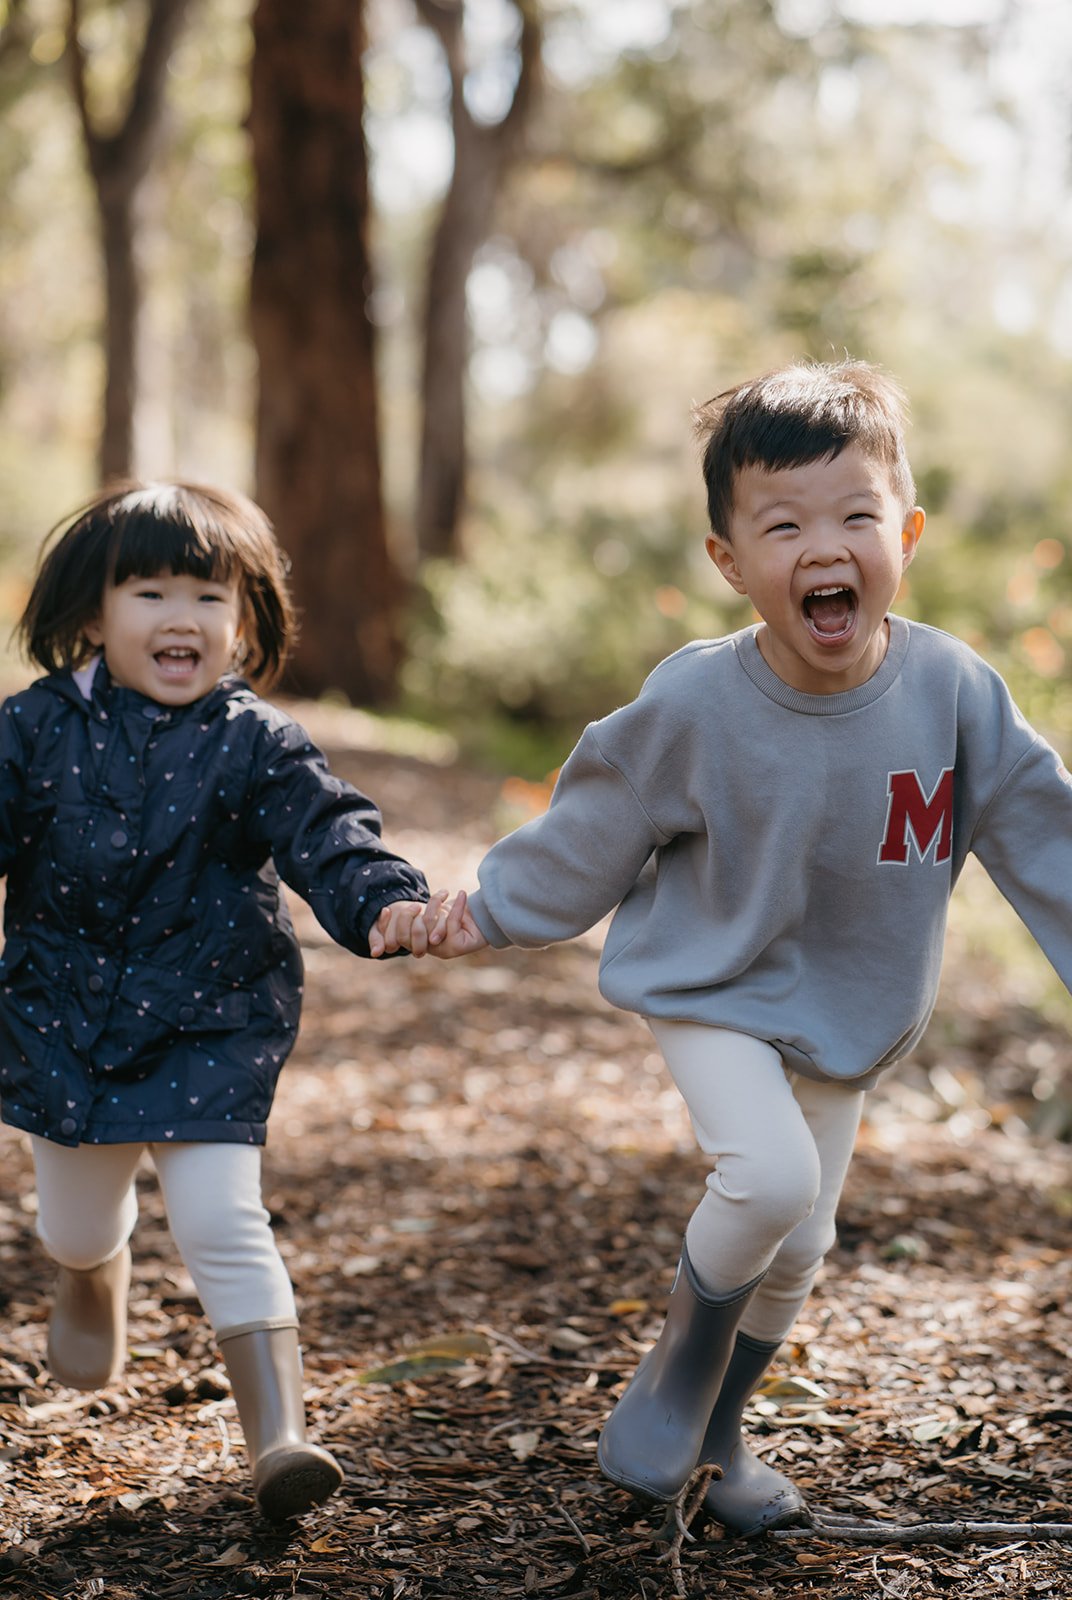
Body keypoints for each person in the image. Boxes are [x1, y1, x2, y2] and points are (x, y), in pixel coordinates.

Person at [376, 358, 1072, 1534]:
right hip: (709, 984)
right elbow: (592, 825)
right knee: (770, 1176)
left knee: (800, 1245)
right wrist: (483, 908)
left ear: (904, 534)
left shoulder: (952, 691)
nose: (825, 545)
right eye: (783, 523)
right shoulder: (695, 701)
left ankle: (717, 1440)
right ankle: (672, 1385)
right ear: (729, 561)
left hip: (850, 1011)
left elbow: (1045, 835)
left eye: (856, 515)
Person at [0, 482, 444, 1521]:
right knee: (75, 1214)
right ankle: (88, 1270)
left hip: (211, 1020)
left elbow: (329, 832)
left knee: (223, 1219)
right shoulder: (32, 730)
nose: (181, 617)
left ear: (244, 619)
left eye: (208, 594)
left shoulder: (256, 742)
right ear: (92, 614)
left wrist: (383, 902)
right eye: (150, 591)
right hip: (63, 1023)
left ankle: (278, 1435)